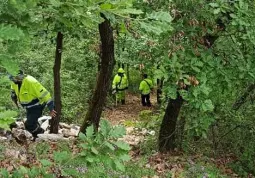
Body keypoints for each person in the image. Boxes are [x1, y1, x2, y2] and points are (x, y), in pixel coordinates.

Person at [9, 70, 57, 138]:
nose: (12, 80)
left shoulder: (31, 82)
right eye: (11, 79)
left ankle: (41, 134)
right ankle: (36, 128)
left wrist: (51, 107)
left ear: (20, 77)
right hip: (29, 107)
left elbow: (44, 94)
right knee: (30, 121)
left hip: (37, 105)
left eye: (13, 79)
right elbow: (13, 88)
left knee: (29, 125)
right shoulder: (15, 82)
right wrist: (13, 95)